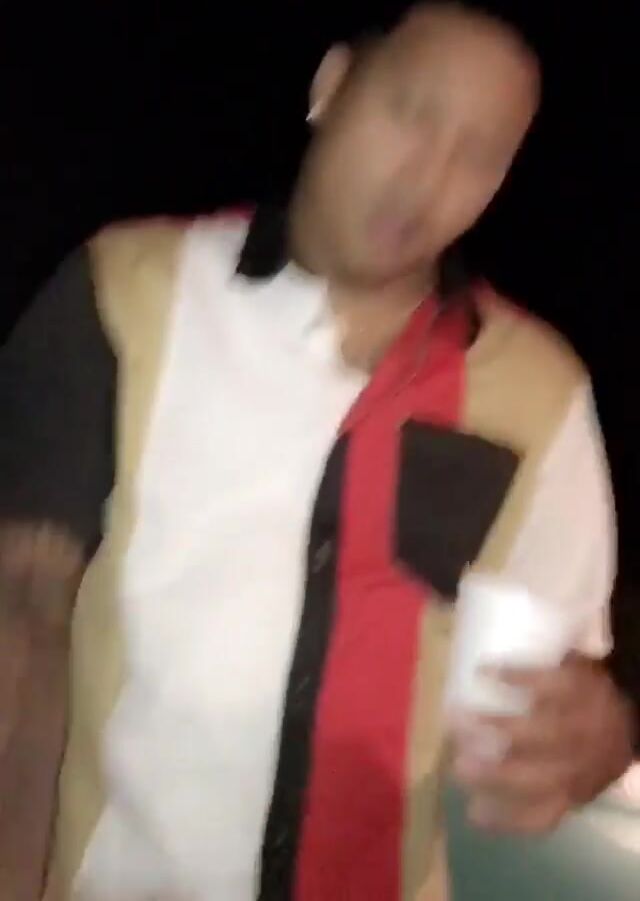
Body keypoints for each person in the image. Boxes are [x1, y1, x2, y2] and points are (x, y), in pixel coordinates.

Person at [0, 4, 636, 900]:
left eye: (479, 156)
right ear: (331, 86)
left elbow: (567, 688)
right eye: (411, 113)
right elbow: (23, 619)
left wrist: (600, 739)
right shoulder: (126, 291)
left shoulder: (540, 389)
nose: (427, 179)